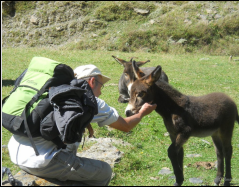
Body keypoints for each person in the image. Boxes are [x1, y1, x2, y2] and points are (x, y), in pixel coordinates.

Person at [7, 64, 157, 186]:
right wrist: (142, 112)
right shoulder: (91, 101)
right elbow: (126, 126)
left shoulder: (54, 91)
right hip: (41, 162)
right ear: (92, 82)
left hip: (15, 153)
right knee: (104, 172)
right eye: (100, 86)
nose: (100, 92)